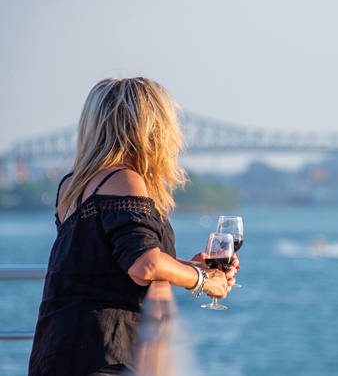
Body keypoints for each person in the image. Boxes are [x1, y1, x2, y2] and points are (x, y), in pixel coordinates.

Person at [28, 77, 239, 376]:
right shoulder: (124, 180)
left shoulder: (73, 185)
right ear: (153, 128)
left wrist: (188, 265)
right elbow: (145, 266)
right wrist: (203, 281)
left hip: (56, 350)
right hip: (101, 356)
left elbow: (106, 263)